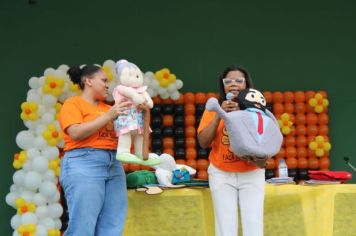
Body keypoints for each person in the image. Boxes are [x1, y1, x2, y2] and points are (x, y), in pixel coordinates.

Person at [59, 65, 130, 236]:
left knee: (113, 226)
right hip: (83, 162)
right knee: (82, 227)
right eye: (104, 80)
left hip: (114, 164)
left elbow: (129, 136)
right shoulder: (73, 103)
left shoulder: (109, 109)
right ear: (88, 81)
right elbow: (75, 132)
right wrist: (107, 117)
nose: (107, 85)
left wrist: (140, 114)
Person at [197, 65, 265, 236]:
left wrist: (241, 116)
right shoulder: (213, 108)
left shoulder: (257, 110)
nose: (233, 84)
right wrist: (220, 114)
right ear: (223, 86)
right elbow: (203, 142)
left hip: (251, 172)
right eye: (228, 81)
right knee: (225, 226)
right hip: (221, 173)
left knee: (253, 223)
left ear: (247, 85)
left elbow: (264, 145)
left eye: (239, 81)